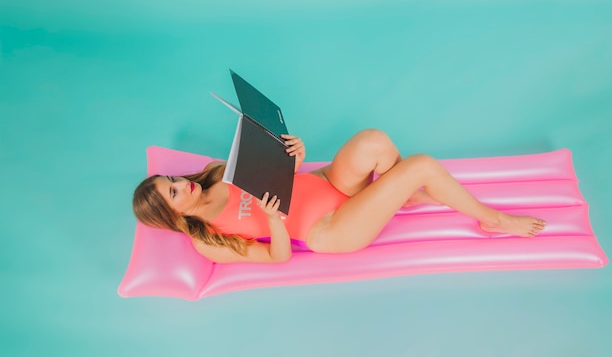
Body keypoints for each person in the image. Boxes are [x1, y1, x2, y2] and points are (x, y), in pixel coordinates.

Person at [133, 129, 546, 264]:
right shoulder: (207, 239)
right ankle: (494, 218)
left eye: (172, 178)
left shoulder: (216, 173)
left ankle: (398, 196)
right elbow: (278, 257)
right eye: (172, 191)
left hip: (329, 184)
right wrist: (274, 221)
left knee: (374, 141)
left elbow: (280, 176)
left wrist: (296, 156)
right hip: (327, 228)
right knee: (419, 165)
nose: (181, 183)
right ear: (170, 213)